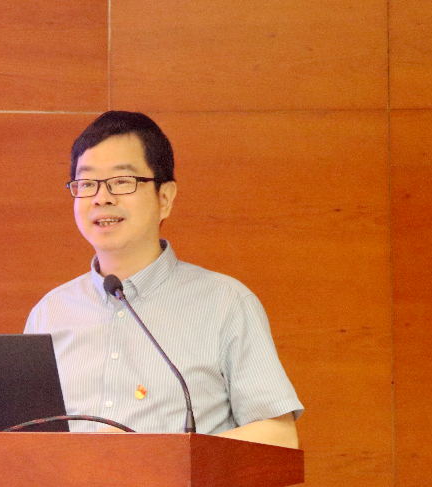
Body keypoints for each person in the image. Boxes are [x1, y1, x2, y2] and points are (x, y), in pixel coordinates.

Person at [24, 111, 303, 448]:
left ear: (165, 198)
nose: (101, 198)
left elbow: (277, 436)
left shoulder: (226, 303)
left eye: (121, 181)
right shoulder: (48, 314)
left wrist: (160, 457)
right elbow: (22, 446)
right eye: (87, 184)